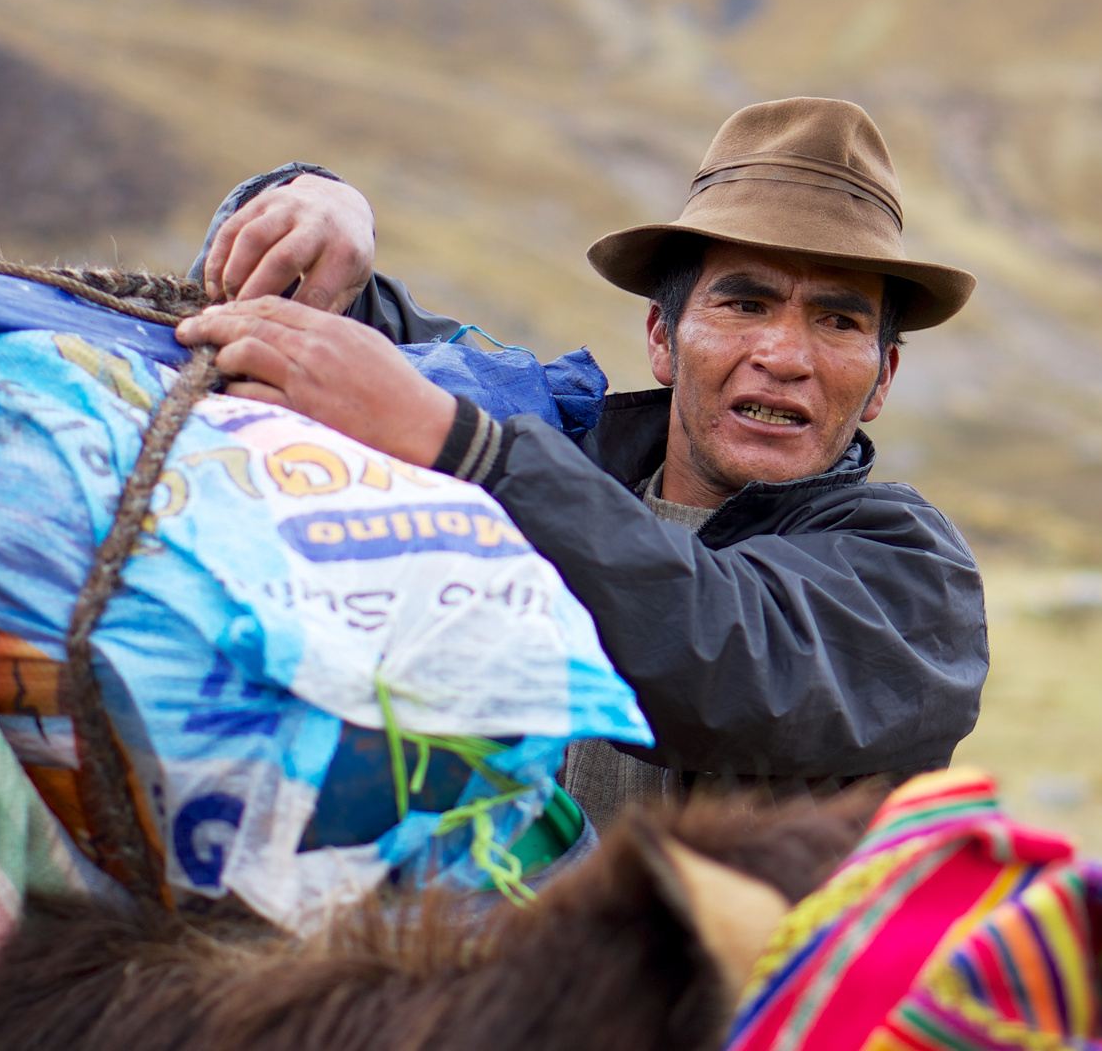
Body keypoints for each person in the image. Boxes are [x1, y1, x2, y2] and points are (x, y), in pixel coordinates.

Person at [176, 98, 988, 828]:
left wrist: (466, 449)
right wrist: (318, 203)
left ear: (881, 379)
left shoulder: (914, 579)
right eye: (744, 303)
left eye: (838, 322)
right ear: (663, 339)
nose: (783, 354)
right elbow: (354, 338)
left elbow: (721, 655)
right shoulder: (558, 448)